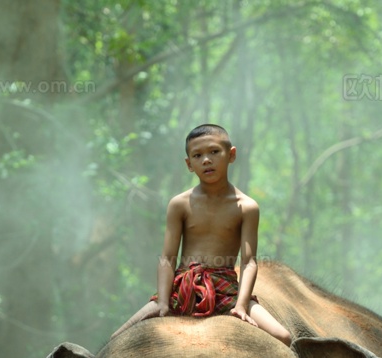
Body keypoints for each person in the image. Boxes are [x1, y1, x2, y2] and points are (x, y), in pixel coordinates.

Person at [112, 123, 293, 345]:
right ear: (189, 164)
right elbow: (167, 258)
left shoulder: (247, 207)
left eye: (214, 152)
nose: (206, 160)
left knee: (283, 336)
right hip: (183, 288)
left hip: (226, 291)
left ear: (231, 154)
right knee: (116, 339)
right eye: (198, 155)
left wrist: (241, 305)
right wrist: (163, 301)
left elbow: (249, 262)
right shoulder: (179, 204)